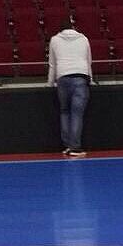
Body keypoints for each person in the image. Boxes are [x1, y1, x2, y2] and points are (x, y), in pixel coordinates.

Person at [48, 16, 92, 157]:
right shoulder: (83, 38)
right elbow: (88, 60)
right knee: (77, 113)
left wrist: (50, 83)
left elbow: (52, 64)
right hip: (80, 76)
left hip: (62, 77)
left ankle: (68, 145)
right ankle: (75, 147)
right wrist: (90, 79)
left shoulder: (54, 40)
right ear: (73, 27)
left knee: (65, 111)